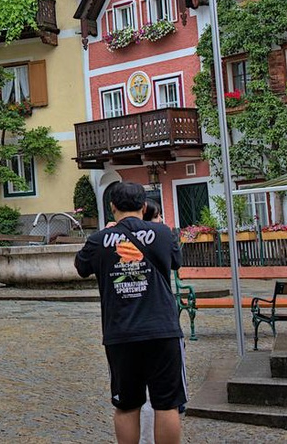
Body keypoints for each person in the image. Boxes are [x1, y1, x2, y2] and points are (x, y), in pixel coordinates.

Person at [75, 181, 186, 444]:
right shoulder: (162, 233)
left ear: (112, 206)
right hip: (162, 329)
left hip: (121, 331)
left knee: (126, 405)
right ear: (144, 206)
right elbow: (176, 263)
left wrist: (106, 236)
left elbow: (81, 266)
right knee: (167, 404)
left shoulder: (98, 240)